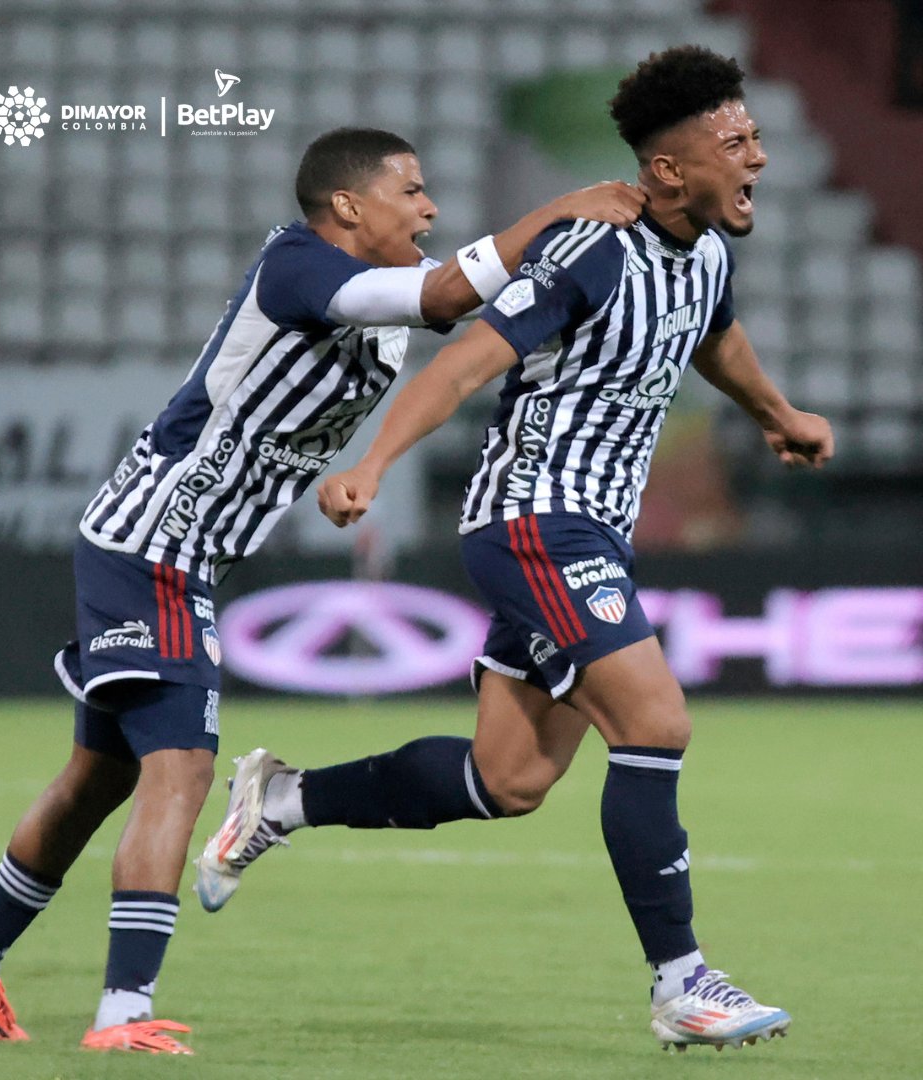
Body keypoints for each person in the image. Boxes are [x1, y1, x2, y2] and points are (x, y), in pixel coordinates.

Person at [0, 127, 645, 1054]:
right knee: (178, 770)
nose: (428, 208)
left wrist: (360, 470)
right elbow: (450, 292)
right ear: (349, 207)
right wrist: (560, 211)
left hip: (178, 550)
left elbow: (449, 310)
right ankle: (122, 1016)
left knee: (98, 776)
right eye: (411, 192)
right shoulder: (300, 266)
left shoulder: (374, 301)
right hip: (157, 545)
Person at [198, 48, 834, 1053]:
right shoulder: (593, 250)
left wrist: (777, 411)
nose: (757, 152)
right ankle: (681, 985)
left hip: (589, 536)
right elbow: (468, 362)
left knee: (508, 780)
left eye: (753, 134)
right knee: (655, 724)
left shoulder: (706, 254)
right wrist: (376, 464)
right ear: (668, 169)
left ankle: (285, 798)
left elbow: (713, 336)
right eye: (736, 139)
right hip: (535, 521)